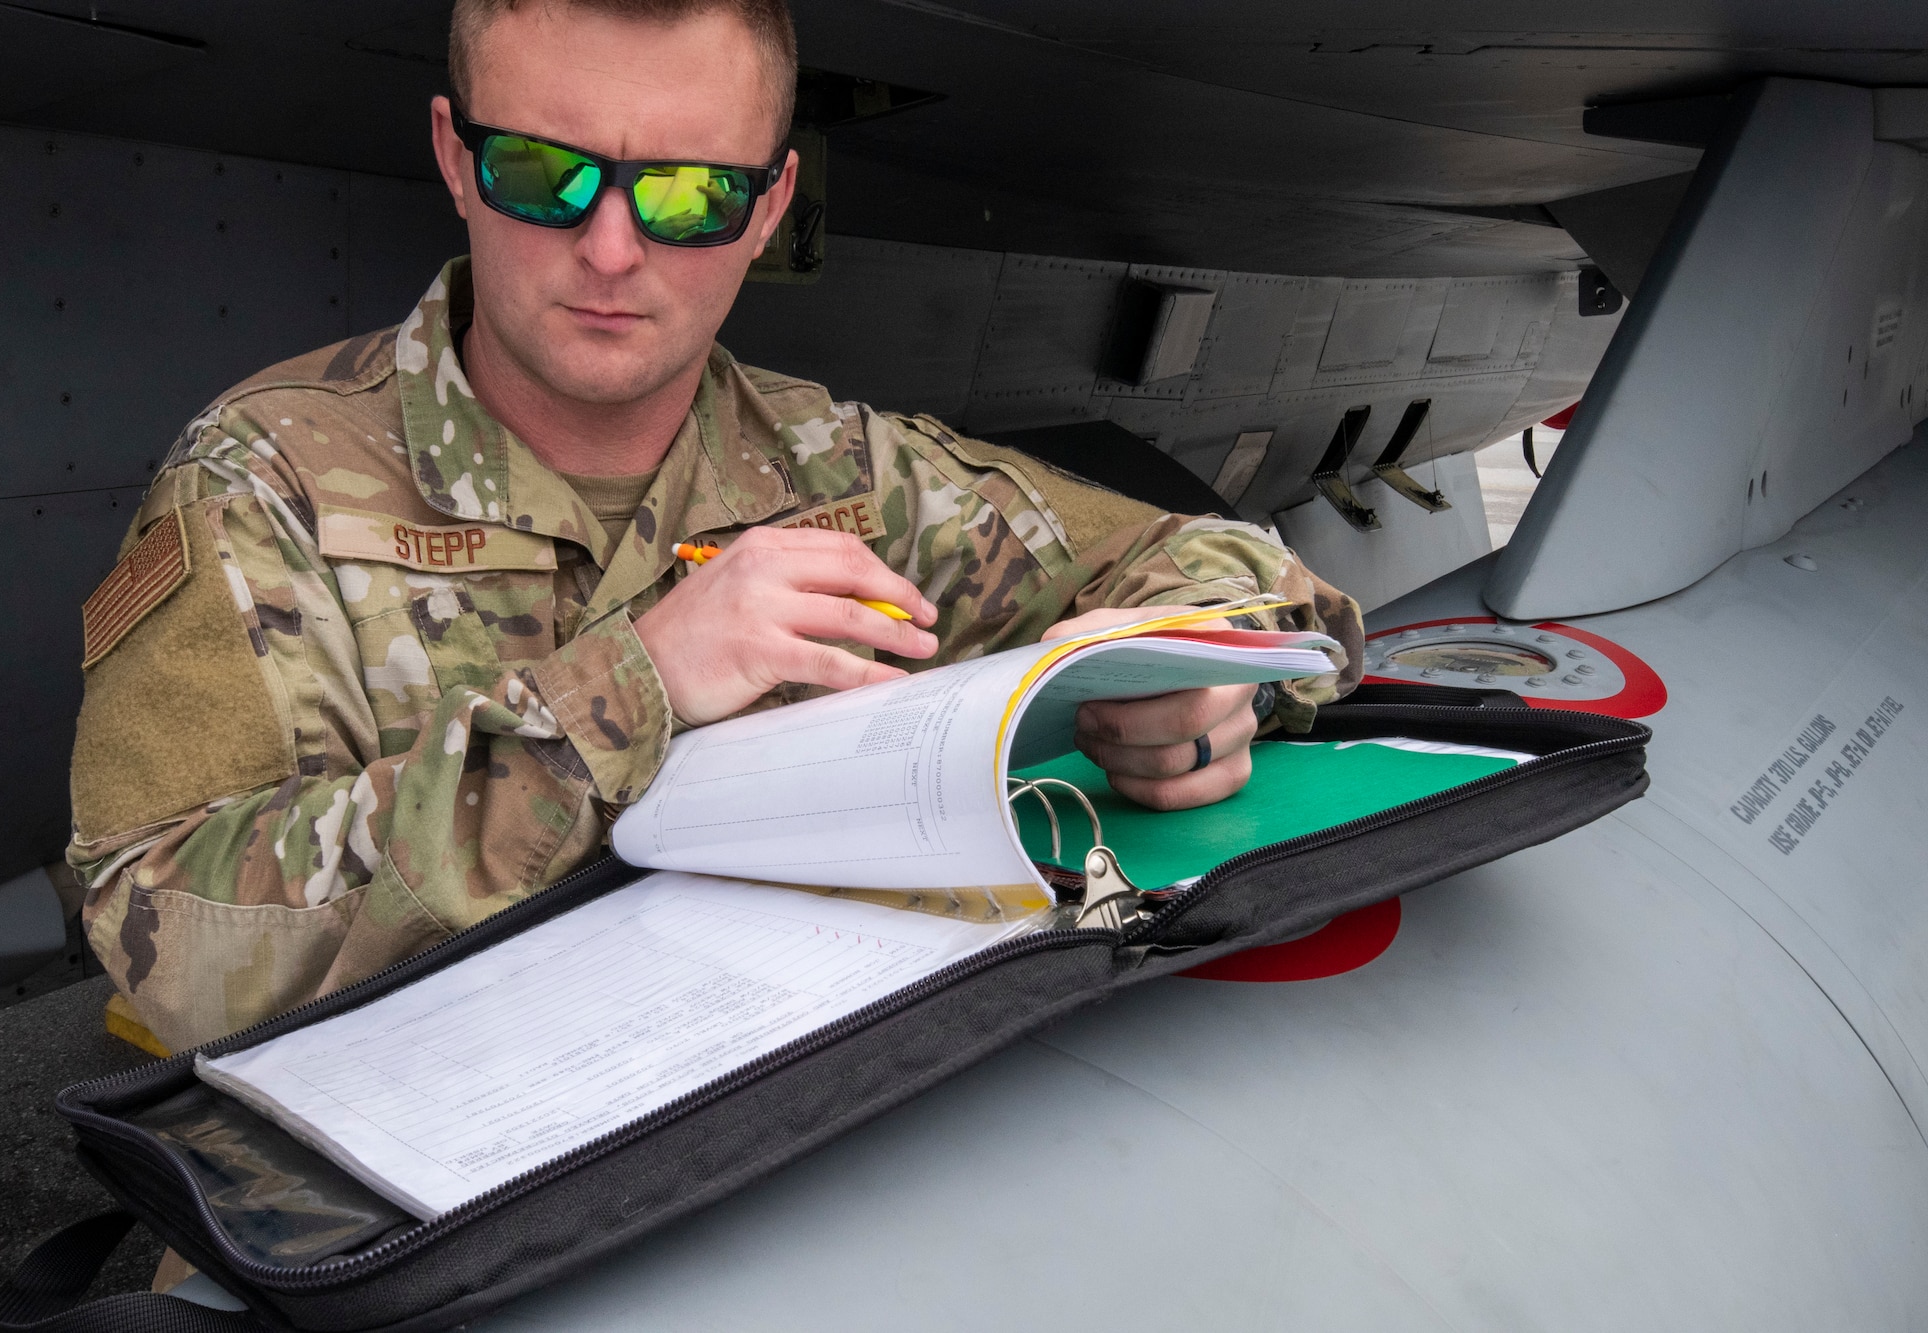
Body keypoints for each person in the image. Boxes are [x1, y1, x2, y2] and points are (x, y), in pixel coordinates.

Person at [67, 0, 1363, 1051]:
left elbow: (1236, 573)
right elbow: (163, 942)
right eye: (544, 175)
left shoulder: (841, 473)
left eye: (688, 196)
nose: (615, 248)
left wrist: (1184, 675)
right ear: (459, 160)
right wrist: (627, 692)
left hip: (774, 1138)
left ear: (767, 205)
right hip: (397, 1232)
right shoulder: (268, 483)